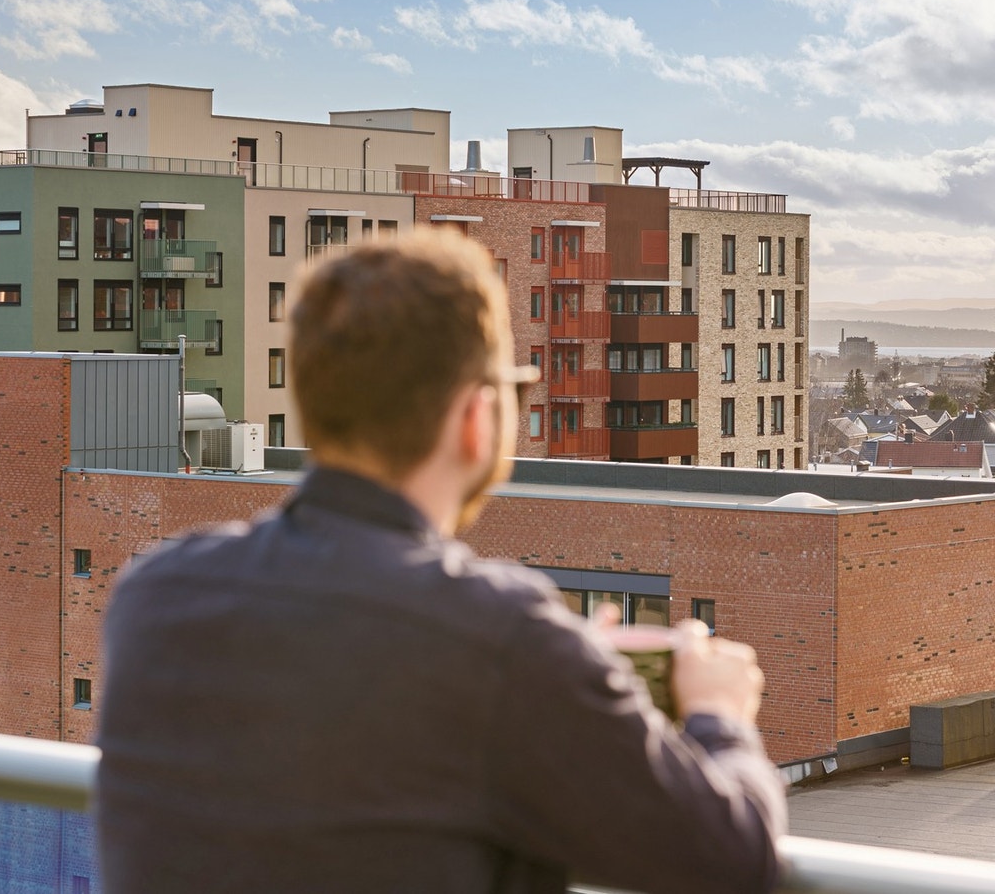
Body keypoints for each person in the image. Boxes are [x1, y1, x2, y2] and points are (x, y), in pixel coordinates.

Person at [95, 228, 786, 893]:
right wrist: (718, 710)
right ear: (477, 418)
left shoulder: (155, 595)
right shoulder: (500, 641)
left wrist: (564, 673)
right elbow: (733, 854)